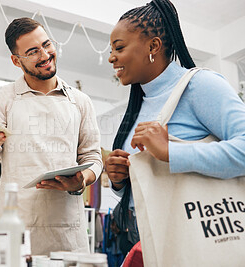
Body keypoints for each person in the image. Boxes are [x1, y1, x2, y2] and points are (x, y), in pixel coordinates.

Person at [105, 0, 245, 257]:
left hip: (200, 232)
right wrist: (120, 181)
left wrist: (171, 152)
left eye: (119, 47)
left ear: (153, 46)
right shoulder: (138, 104)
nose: (111, 57)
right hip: (145, 235)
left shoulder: (199, 85)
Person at [0, 17, 102, 255]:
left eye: (47, 45)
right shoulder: (2, 100)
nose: (45, 55)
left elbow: (93, 156)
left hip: (68, 231)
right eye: (33, 51)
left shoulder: (80, 101)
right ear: (16, 61)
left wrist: (81, 180)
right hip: (19, 231)